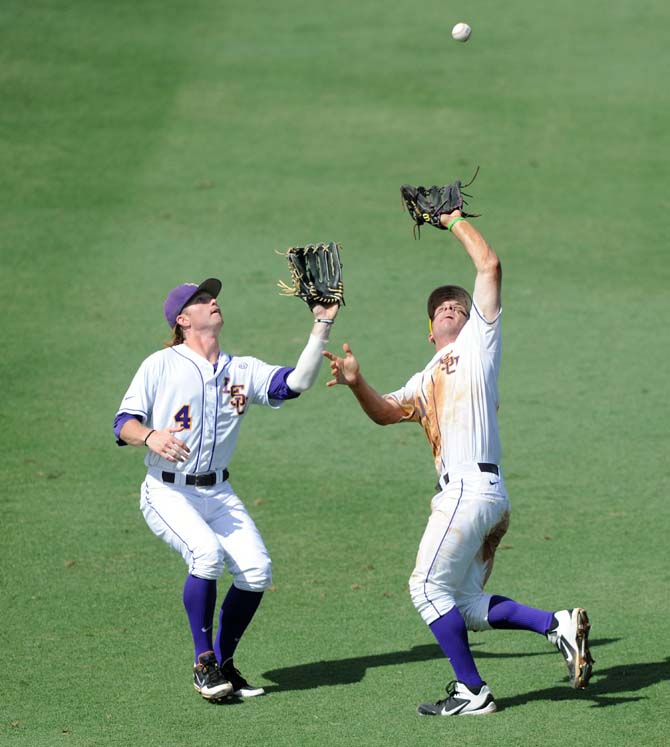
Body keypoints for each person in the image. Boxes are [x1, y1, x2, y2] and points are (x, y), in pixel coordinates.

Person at [323, 208, 593, 716]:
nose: (450, 307)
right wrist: (358, 383)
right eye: (440, 308)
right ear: (429, 330)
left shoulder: (478, 344)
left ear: (472, 320)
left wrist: (451, 220)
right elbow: (386, 413)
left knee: (425, 588)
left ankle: (472, 691)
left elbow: (488, 266)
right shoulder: (424, 378)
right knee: (463, 603)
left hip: (470, 492)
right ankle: (556, 624)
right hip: (485, 499)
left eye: (458, 305)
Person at [114, 277, 339, 702]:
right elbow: (122, 423)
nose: (212, 300)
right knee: (207, 554)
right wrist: (149, 437)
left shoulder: (242, 369)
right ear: (183, 320)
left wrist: (322, 324)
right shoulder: (160, 365)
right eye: (200, 299)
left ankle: (224, 663)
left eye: (212, 295)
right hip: (167, 491)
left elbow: (295, 384)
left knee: (256, 572)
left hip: (217, 493)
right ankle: (203, 663)